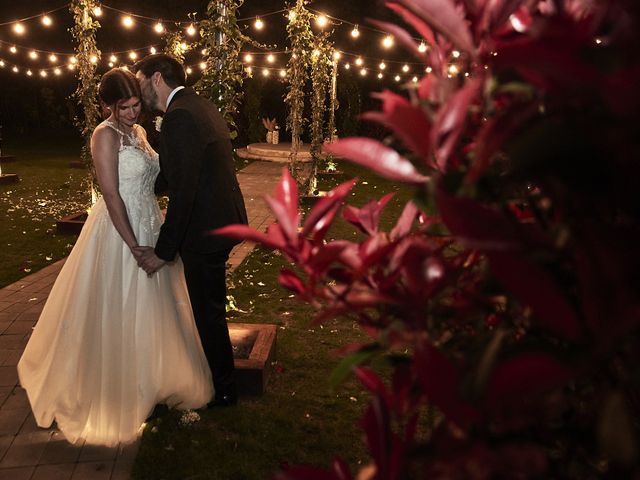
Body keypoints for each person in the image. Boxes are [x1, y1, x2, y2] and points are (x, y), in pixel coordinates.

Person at [17, 68, 213, 447]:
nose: (132, 113)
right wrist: (133, 245)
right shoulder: (102, 136)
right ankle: (119, 388)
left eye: (137, 105)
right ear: (108, 105)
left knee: (158, 310)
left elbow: (157, 174)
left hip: (150, 222)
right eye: (124, 107)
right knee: (120, 308)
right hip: (120, 231)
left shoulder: (138, 133)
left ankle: (155, 380)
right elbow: (110, 196)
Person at [133, 54, 248, 407]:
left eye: (140, 82)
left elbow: (184, 192)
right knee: (208, 306)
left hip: (206, 229)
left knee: (207, 311)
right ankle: (222, 381)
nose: (138, 92)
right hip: (222, 219)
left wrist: (163, 251)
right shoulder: (198, 105)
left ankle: (225, 390)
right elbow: (179, 173)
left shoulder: (180, 117)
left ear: (156, 79)